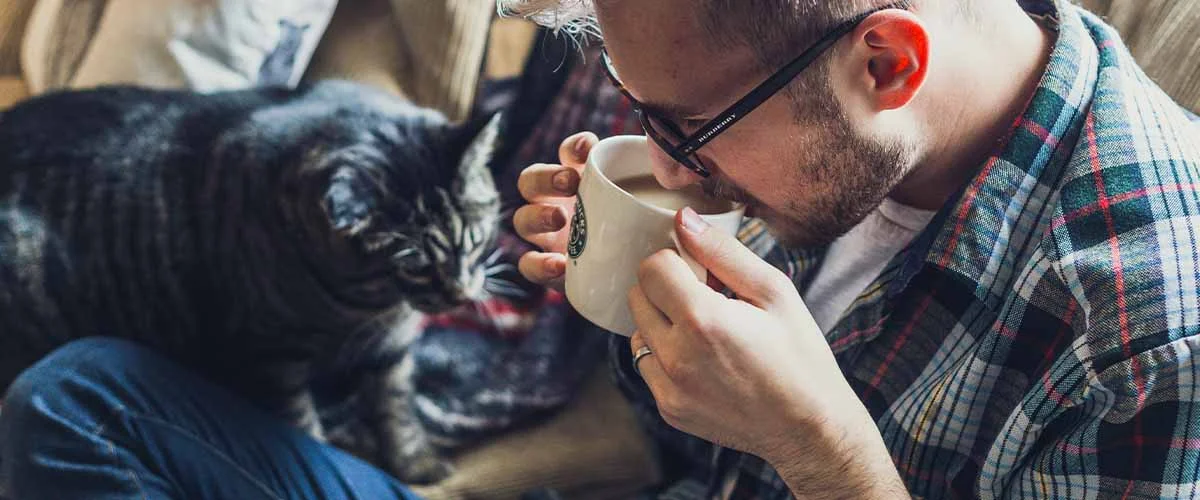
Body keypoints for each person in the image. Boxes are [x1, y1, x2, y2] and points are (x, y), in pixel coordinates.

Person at [506, 0, 1200, 498]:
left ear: (888, 64)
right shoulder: (832, 138)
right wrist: (636, 288)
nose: (665, 173)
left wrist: (821, 452)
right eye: (638, 107)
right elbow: (706, 446)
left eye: (686, 126)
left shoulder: (1150, 341)